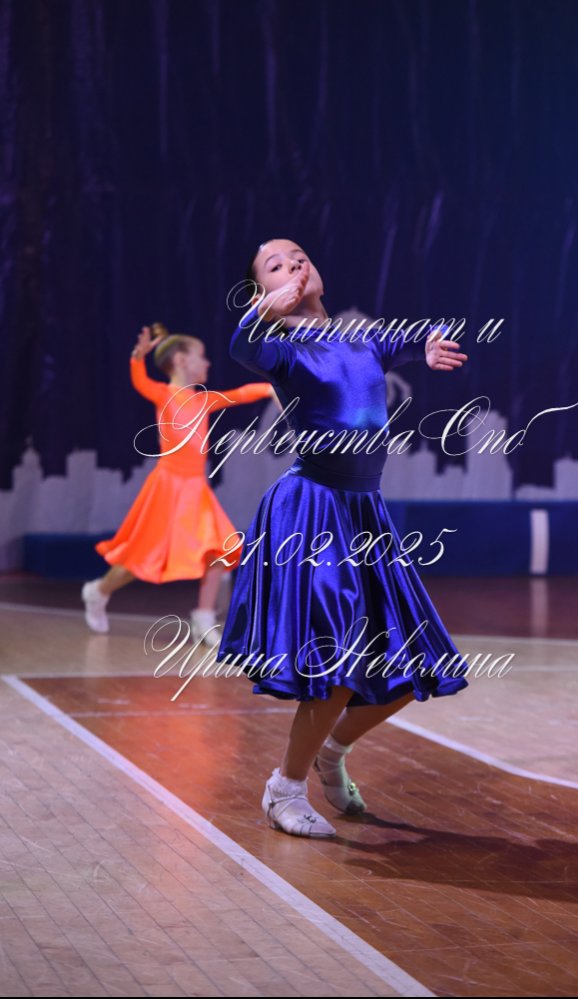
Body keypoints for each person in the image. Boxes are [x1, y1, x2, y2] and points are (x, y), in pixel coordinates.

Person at [217, 239, 470, 837]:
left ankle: (330, 754)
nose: (294, 265)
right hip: (313, 512)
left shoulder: (362, 340)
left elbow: (413, 336)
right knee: (339, 662)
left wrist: (430, 341)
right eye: (276, 266)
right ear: (263, 293)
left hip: (364, 513)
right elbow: (241, 347)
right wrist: (261, 312)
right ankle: (284, 789)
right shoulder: (282, 348)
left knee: (415, 662)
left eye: (299, 256)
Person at [82, 323, 276, 646]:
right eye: (202, 356)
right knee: (140, 557)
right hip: (168, 488)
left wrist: (269, 389)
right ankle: (98, 591)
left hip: (196, 490)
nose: (208, 362)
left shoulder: (203, 400)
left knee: (220, 548)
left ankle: (204, 616)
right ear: (182, 361)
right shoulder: (164, 394)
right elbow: (140, 381)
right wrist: (137, 357)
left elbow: (240, 394)